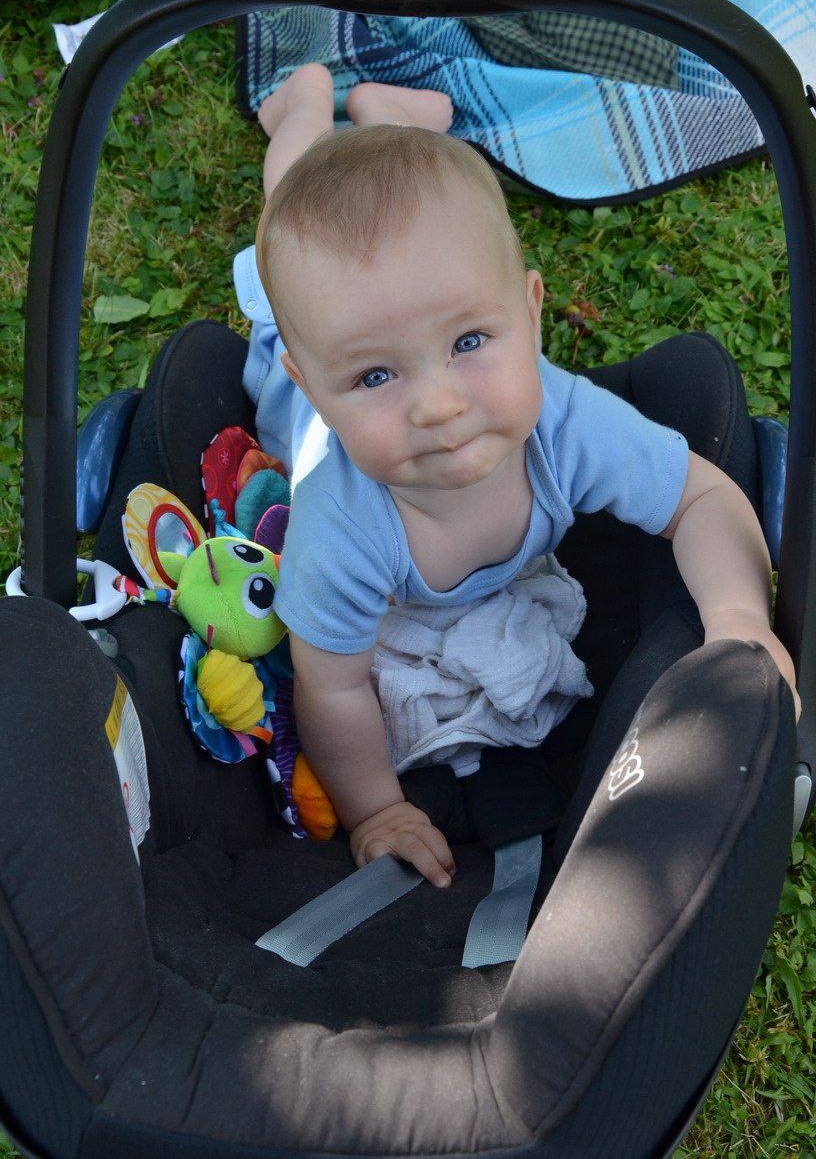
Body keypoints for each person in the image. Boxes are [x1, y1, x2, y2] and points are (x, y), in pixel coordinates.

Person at [236, 62, 798, 889]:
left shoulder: (564, 426)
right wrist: (377, 808)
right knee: (290, 210)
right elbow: (335, 690)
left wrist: (740, 620)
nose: (438, 405)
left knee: (380, 227)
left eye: (469, 342)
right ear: (320, 385)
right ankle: (304, 106)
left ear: (531, 314)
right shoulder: (339, 527)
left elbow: (700, 497)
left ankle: (386, 121)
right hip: (298, 408)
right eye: (374, 376)